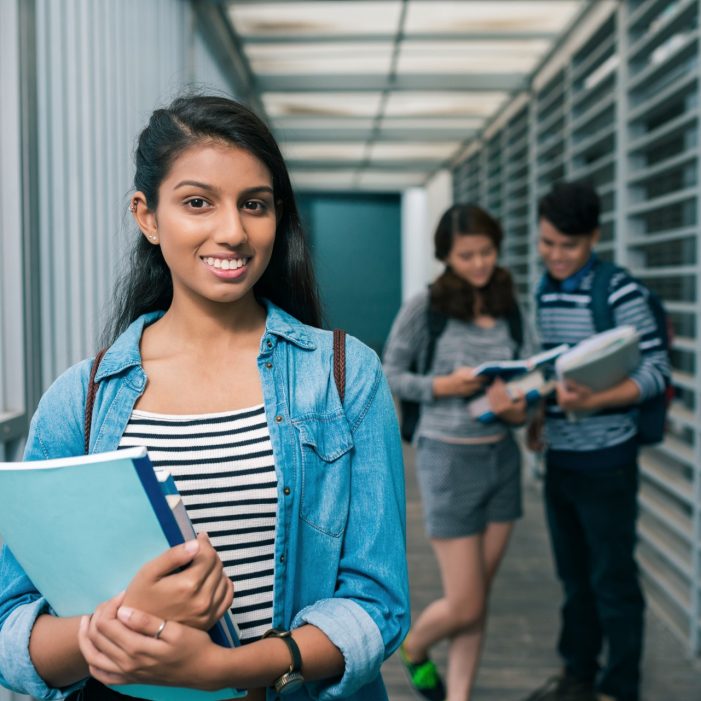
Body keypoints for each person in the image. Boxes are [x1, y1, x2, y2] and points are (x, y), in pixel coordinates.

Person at [0, 95, 409, 701]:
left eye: (255, 205)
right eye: (198, 203)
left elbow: (378, 605)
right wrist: (117, 624)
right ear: (147, 216)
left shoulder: (344, 378)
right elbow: (12, 630)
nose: (233, 232)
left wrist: (224, 670)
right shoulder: (79, 402)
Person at [383, 204, 538, 701]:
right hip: (445, 459)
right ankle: (415, 647)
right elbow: (391, 372)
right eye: (466, 255)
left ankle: (460, 696)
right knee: (466, 602)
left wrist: (517, 406)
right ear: (445, 256)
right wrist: (444, 386)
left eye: (486, 253)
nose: (479, 264)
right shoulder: (425, 306)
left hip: (501, 458)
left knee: (477, 598)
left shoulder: (511, 305)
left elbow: (533, 375)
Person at [524, 181, 670, 701]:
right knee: (575, 580)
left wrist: (594, 401)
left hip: (608, 462)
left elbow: (656, 372)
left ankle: (619, 686)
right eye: (547, 243)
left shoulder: (620, 291)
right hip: (561, 458)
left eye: (568, 245)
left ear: (594, 239)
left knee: (613, 582)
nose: (556, 256)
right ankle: (578, 676)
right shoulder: (543, 287)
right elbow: (549, 363)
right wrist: (537, 403)